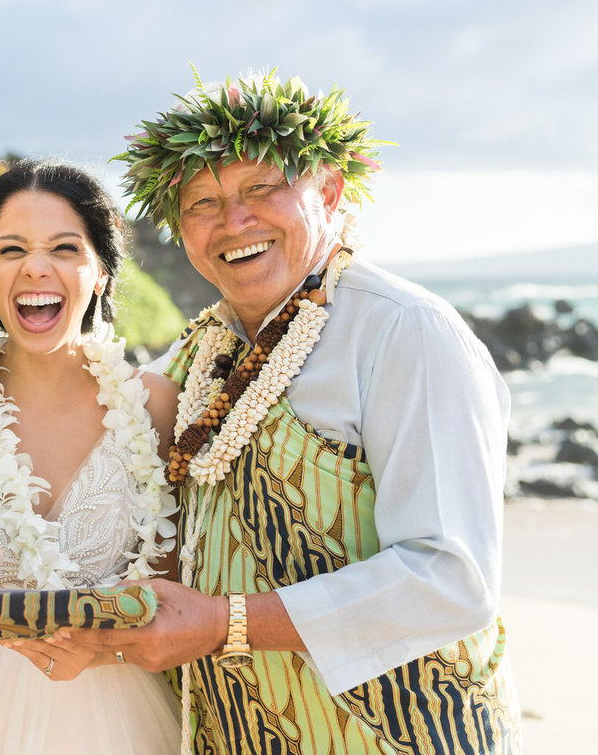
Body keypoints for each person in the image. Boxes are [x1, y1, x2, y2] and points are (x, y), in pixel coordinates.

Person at [63, 73, 522, 753]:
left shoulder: (404, 332)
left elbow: (451, 578)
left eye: (259, 189)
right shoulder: (196, 360)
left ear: (329, 191)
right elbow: (81, 455)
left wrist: (225, 623)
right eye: (203, 203)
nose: (233, 221)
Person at [0, 159, 184, 754]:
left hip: (118, 725)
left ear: (102, 272)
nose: (36, 267)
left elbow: (176, 595)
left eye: (64, 247)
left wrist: (104, 644)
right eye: (11, 250)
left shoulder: (156, 406)